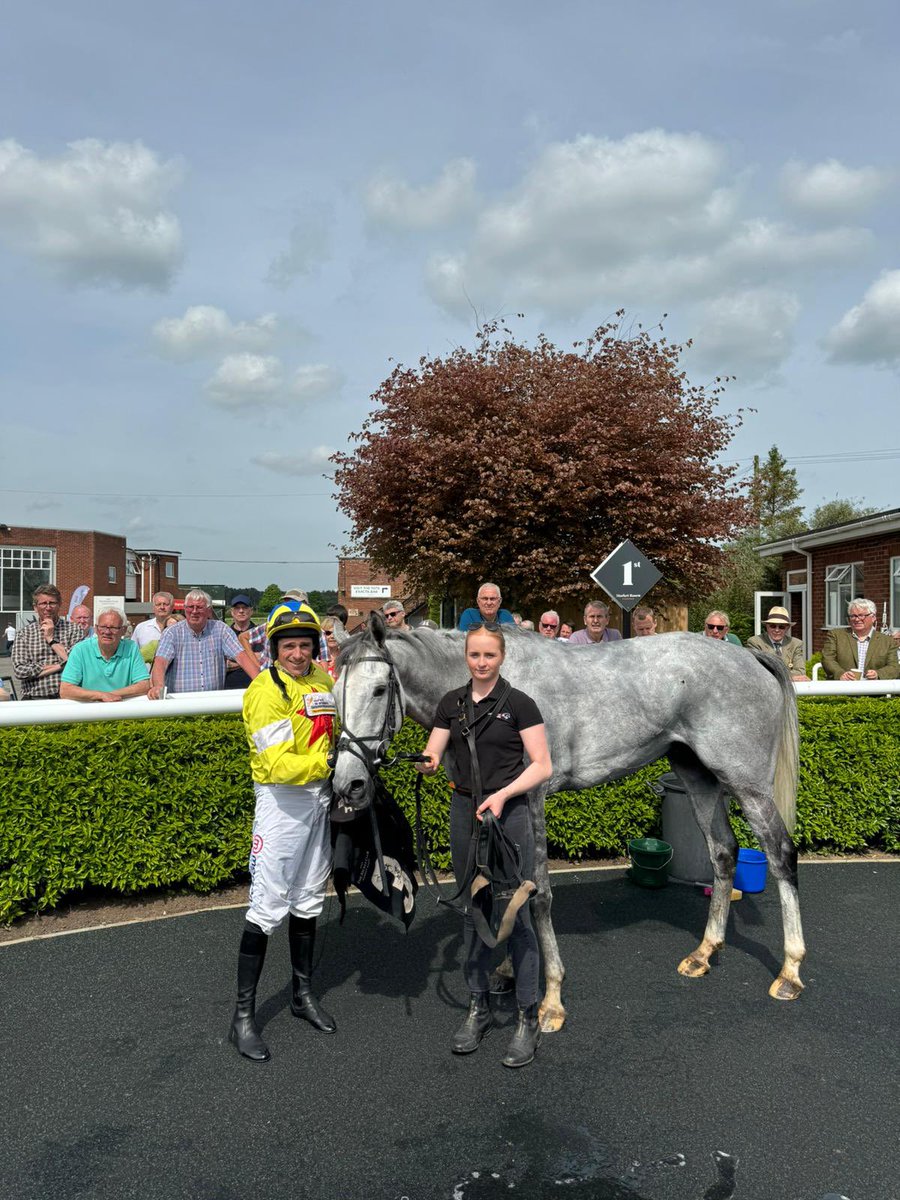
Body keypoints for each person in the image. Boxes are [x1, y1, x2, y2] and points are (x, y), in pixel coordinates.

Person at [416, 624, 552, 1069]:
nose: (481, 662)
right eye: (474, 654)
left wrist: (503, 794)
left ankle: (527, 1017)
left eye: (489, 655)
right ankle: (479, 1008)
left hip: (508, 816)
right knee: (473, 910)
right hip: (465, 814)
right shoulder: (450, 704)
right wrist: (425, 763)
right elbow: (434, 753)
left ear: (502, 657)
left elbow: (542, 766)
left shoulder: (520, 704)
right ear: (465, 657)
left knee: (517, 912)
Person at [229, 603, 338, 1063]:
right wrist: (330, 764)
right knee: (267, 906)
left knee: (311, 898)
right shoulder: (263, 689)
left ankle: (301, 995)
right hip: (282, 804)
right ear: (274, 648)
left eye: (305, 644)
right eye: (289, 645)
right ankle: (242, 1017)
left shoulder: (322, 681)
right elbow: (275, 763)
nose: (297, 652)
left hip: (322, 800)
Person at [149, 589, 259, 698]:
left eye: (199, 607)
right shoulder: (172, 633)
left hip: (213, 702)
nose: (194, 611)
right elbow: (161, 662)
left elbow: (241, 657)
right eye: (190, 607)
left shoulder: (221, 629)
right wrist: (159, 686)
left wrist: (261, 683)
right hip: (180, 703)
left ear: (209, 611)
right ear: (185, 609)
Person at [12, 584, 87, 700]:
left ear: (59, 605)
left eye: (52, 603)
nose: (48, 607)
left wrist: (50, 639)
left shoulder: (74, 629)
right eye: (43, 603)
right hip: (35, 698)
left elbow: (77, 661)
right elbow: (20, 671)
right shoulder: (24, 634)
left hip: (68, 698)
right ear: (35, 607)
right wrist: (60, 665)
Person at [60, 609, 151, 702]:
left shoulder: (131, 648)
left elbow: (144, 685)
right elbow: (65, 690)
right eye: (103, 627)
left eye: (113, 628)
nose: (107, 632)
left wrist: (110, 695)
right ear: (95, 628)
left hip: (121, 710)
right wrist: (100, 695)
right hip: (89, 712)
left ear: (123, 630)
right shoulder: (80, 649)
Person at [820, 598, 900, 681]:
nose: (857, 619)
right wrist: (841, 674)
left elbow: (894, 667)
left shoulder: (887, 641)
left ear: (873, 617)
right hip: (843, 689)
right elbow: (827, 659)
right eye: (853, 616)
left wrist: (878, 674)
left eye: (861, 615)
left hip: (874, 691)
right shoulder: (836, 635)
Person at [240, 589, 308, 672]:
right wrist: (257, 667)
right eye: (286, 602)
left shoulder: (317, 632)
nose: (289, 605)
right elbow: (243, 638)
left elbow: (323, 667)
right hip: (271, 680)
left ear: (305, 605)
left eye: (294, 602)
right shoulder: (270, 626)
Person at [746, 607, 808, 680]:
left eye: (781, 627)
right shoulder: (755, 642)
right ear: (767, 626)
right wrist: (790, 677)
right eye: (773, 626)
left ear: (787, 628)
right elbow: (757, 671)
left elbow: (800, 672)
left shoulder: (795, 644)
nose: (777, 630)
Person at [224, 594, 258, 690]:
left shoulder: (259, 633)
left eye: (244, 608)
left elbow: (263, 659)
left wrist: (235, 663)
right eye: (237, 608)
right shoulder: (225, 634)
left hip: (254, 687)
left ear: (251, 611)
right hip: (229, 688)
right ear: (232, 612)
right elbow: (223, 664)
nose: (241, 611)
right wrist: (251, 659)